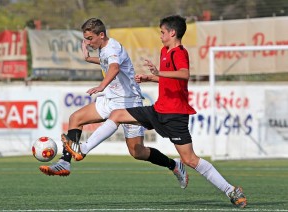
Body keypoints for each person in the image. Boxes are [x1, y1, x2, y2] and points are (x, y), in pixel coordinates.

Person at [63, 15, 247, 208]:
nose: (160, 36)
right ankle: (82, 149)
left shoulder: (179, 52)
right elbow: (169, 79)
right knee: (117, 115)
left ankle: (231, 190)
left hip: (175, 114)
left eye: (162, 32)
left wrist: (157, 74)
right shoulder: (165, 51)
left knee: (190, 159)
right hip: (158, 109)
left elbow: (184, 75)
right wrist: (151, 78)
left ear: (172, 33)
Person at [39, 18, 188, 189]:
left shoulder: (113, 47)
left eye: (89, 38)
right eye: (85, 38)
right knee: (75, 118)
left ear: (101, 35)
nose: (87, 42)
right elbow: (106, 62)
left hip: (128, 102)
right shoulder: (103, 49)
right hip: (110, 99)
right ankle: (65, 162)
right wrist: (88, 58)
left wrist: (102, 85)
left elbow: (114, 67)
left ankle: (174, 165)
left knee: (137, 152)